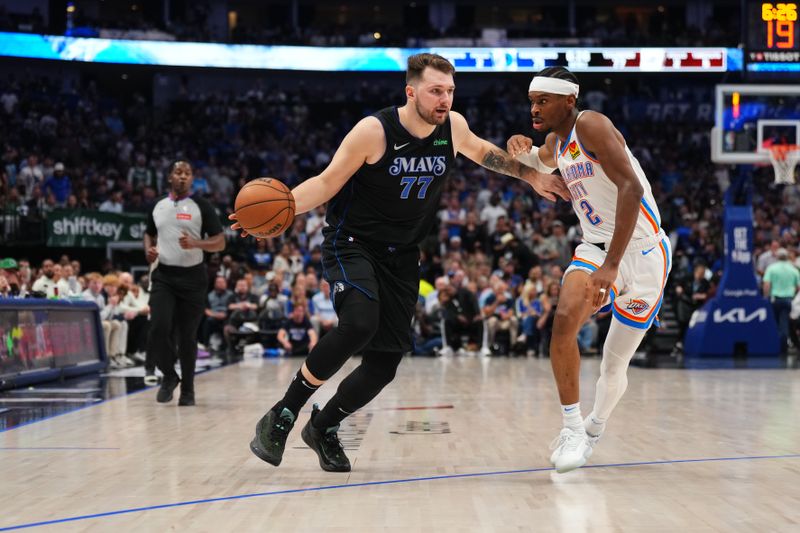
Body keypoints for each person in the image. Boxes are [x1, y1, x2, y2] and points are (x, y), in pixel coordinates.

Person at [231, 53, 568, 472]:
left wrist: (532, 176)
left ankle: (324, 427)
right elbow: (326, 182)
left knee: (383, 365)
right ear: (411, 92)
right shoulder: (374, 131)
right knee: (358, 324)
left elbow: (485, 154)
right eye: (435, 91)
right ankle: (283, 413)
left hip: (403, 255)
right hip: (352, 243)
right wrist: (275, 214)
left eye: (449, 91)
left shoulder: (453, 126)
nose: (444, 99)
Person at [507, 66, 672, 473]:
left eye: (543, 101)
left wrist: (613, 267)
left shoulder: (592, 125)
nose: (534, 108)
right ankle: (571, 429)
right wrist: (520, 150)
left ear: (569, 100)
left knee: (614, 366)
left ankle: (593, 428)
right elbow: (541, 161)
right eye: (531, 101)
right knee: (564, 321)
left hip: (645, 254)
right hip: (596, 249)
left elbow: (630, 188)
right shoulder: (555, 140)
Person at [144, 161, 225, 405]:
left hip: (193, 278)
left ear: (192, 179)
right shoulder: (158, 205)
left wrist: (197, 244)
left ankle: (188, 391)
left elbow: (220, 242)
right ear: (170, 177)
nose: (182, 177)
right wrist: (149, 250)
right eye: (178, 173)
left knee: (187, 336)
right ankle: (169, 376)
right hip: (164, 276)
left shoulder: (202, 206)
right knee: (158, 329)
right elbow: (149, 232)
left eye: (187, 173)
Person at [762, 247, 800, 356]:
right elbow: (798, 286)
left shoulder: (771, 268)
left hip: (775, 299)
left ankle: (779, 347)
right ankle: (784, 346)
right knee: (784, 323)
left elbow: (766, 284)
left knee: (774, 323)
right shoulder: (793, 269)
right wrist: (792, 293)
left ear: (777, 257)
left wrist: (766, 296)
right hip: (788, 299)